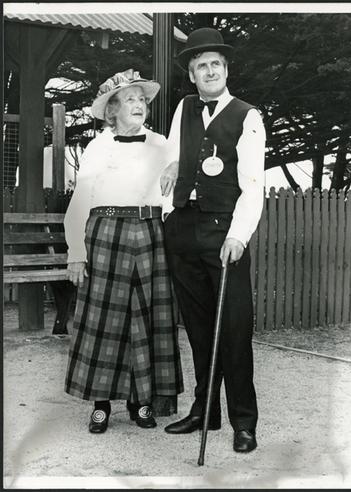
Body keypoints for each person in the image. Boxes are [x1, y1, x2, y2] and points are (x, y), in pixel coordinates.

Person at [160, 28, 266, 453]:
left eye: (215, 65)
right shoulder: (184, 107)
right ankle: (206, 411)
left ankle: (244, 421)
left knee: (234, 330)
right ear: (191, 73)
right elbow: (173, 155)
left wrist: (239, 236)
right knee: (201, 330)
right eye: (201, 65)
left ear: (226, 70)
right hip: (183, 230)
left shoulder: (247, 115)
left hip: (224, 234)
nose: (209, 71)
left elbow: (253, 184)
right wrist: (169, 209)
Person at [64, 69, 183, 434]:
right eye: (129, 100)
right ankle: (101, 405)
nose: (138, 105)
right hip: (106, 233)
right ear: (112, 110)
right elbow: (81, 199)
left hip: (150, 232)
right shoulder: (99, 146)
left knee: (146, 319)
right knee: (104, 320)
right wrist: (75, 252)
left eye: (142, 100)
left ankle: (141, 403)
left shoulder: (164, 145)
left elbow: (177, 191)